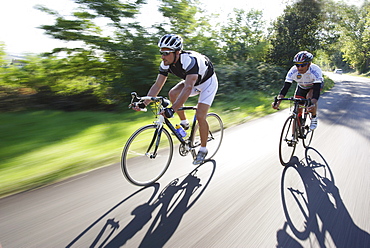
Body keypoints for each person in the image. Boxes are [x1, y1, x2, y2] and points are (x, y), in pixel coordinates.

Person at [132, 34, 219, 165]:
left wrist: (172, 110)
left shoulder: (189, 61)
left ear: (177, 52)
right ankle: (184, 122)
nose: (162, 56)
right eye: (161, 52)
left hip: (207, 83)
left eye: (166, 53)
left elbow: (188, 87)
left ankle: (203, 149)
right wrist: (144, 103)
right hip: (192, 82)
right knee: (172, 93)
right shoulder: (165, 64)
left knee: (200, 116)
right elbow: (157, 85)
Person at [272, 51, 323, 130]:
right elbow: (285, 87)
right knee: (297, 107)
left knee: (309, 97)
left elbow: (316, 92)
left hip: (314, 86)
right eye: (297, 65)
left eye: (303, 65)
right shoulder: (293, 71)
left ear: (309, 64)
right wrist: (278, 102)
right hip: (302, 86)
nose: (300, 68)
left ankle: (314, 117)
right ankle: (294, 136)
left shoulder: (315, 71)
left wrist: (312, 104)